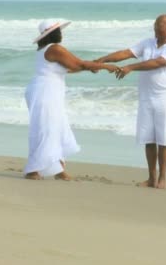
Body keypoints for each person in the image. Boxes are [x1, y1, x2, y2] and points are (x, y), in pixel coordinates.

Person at [96, 14, 166, 189]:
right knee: (148, 139)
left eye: (160, 26)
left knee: (164, 139)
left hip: (165, 99)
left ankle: (162, 178)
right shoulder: (148, 42)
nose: (156, 29)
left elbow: (157, 63)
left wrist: (131, 67)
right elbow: (126, 53)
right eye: (155, 26)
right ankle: (151, 178)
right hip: (146, 97)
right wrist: (103, 60)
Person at [24, 20, 117, 180]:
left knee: (57, 127)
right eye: (59, 30)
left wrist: (92, 66)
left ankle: (58, 170)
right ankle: (33, 170)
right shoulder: (55, 48)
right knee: (47, 129)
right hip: (45, 92)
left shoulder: (45, 49)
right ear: (54, 33)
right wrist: (104, 66)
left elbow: (69, 68)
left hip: (47, 90)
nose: (61, 32)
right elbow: (78, 64)